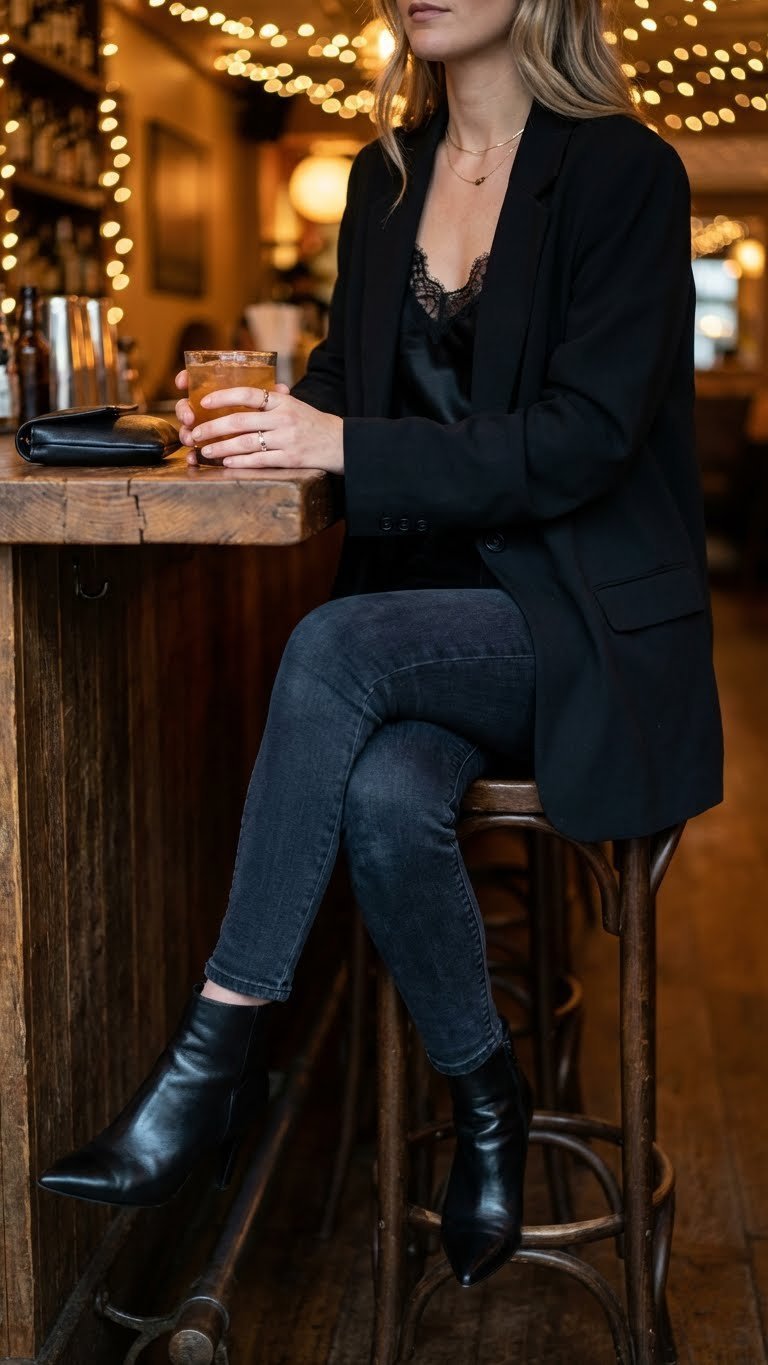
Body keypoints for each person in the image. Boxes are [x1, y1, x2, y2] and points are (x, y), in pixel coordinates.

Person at [38, 0, 723, 1292]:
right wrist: (271, 415)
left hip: (573, 630)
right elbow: (359, 394)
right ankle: (487, 1096)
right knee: (379, 792)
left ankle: (206, 1072)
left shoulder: (628, 173)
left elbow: (581, 437)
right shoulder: (382, 178)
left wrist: (340, 444)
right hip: (426, 621)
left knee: (331, 650)